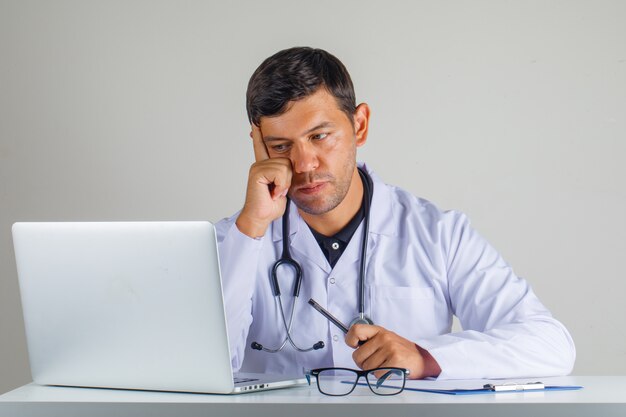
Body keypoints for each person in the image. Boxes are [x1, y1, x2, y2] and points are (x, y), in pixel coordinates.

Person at [215, 46, 575, 379]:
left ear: (360, 125)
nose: (304, 163)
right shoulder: (232, 241)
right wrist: (252, 229)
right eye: (281, 146)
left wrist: (424, 357)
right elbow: (205, 363)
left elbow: (550, 345)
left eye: (320, 136)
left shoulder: (439, 234)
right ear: (259, 146)